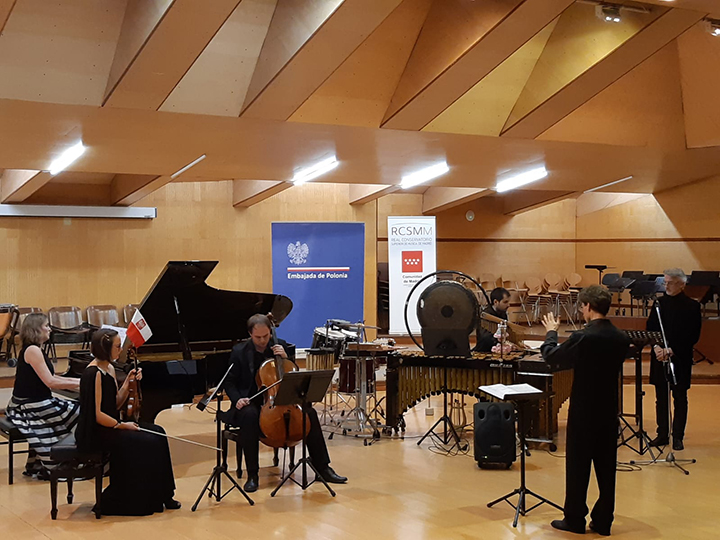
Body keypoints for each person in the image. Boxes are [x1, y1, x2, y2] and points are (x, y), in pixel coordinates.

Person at [541, 285, 631, 536]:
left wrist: (551, 333)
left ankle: (574, 519)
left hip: (584, 409)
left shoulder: (584, 336)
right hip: (609, 409)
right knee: (606, 467)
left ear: (588, 306)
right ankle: (603, 521)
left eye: (582, 306)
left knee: (578, 466)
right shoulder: (621, 338)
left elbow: (552, 356)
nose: (581, 311)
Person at [222, 314, 347, 493]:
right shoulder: (239, 351)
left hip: (279, 399)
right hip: (249, 401)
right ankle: (253, 475)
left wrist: (286, 357)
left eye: (266, 336)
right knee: (250, 416)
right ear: (250, 334)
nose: (263, 341)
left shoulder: (280, 346)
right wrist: (237, 399)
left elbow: (292, 374)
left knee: (310, 413)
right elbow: (229, 382)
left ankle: (323, 468)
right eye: (258, 337)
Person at [75, 328, 180, 515]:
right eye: (117, 346)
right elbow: (97, 414)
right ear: (105, 349)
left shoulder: (109, 368)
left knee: (159, 433)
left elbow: (115, 402)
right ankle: (142, 499)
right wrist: (121, 425)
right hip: (97, 431)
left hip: (111, 425)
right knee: (148, 441)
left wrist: (128, 382)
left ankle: (165, 494)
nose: (120, 350)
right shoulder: (93, 373)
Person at [6, 313, 80, 478]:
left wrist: (78, 381)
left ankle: (58, 457)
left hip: (34, 402)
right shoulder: (33, 350)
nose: (50, 329)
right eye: (46, 325)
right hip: (27, 406)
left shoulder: (35, 349)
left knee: (76, 410)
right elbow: (51, 382)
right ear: (36, 329)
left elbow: (53, 377)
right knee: (81, 414)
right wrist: (81, 383)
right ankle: (68, 459)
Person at [646, 268, 701, 451]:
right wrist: (656, 347)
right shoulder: (658, 304)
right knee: (661, 398)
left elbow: (693, 335)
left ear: (682, 284)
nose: (666, 285)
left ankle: (678, 436)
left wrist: (671, 350)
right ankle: (662, 434)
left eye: (670, 282)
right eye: (665, 282)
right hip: (659, 356)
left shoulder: (692, 306)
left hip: (680, 357)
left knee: (680, 397)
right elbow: (650, 328)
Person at [475, 288, 511, 352]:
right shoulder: (484, 315)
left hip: (499, 350)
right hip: (485, 351)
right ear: (495, 302)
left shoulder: (503, 314)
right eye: (505, 302)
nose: (508, 305)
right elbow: (484, 337)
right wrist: (498, 339)